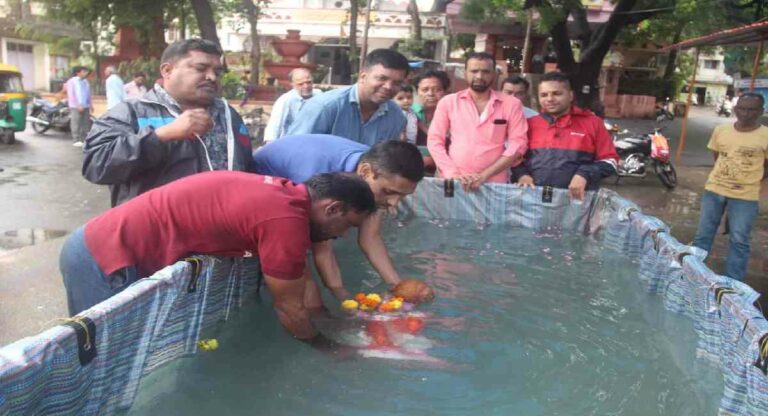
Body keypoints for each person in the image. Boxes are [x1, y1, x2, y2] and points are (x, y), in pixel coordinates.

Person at [60, 170, 376, 341]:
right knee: (100, 355)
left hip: (98, 244)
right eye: (347, 225)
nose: (342, 235)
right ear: (332, 208)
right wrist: (329, 349)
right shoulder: (285, 221)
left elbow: (299, 276)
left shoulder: (285, 196)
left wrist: (331, 320)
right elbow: (290, 309)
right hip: (104, 258)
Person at [252, 134, 430, 309]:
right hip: (262, 188)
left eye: (402, 196)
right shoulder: (318, 178)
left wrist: (398, 287)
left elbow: (371, 238)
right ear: (365, 171)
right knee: (299, 272)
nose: (393, 203)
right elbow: (321, 247)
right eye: (389, 192)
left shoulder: (377, 172)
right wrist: (344, 298)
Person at [82, 39, 255, 207]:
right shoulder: (130, 113)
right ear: (167, 70)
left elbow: (247, 167)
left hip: (224, 229)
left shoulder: (228, 115)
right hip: (155, 231)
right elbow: (96, 165)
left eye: (217, 72)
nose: (211, 77)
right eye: (200, 68)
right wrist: (161, 136)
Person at [692, 93, 768, 281]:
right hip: (714, 190)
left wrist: (748, 179)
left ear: (761, 111)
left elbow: (766, 167)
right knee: (703, 236)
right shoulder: (720, 130)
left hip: (746, 196)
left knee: (739, 241)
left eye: (752, 110)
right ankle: (692, 274)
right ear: (735, 109)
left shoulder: (765, 135)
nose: (746, 113)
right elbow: (718, 157)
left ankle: (732, 284)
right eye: (742, 108)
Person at [427, 52, 528, 190]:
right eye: (474, 71)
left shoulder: (512, 104)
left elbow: (518, 144)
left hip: (494, 182)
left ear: (494, 74)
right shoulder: (449, 102)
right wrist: (452, 173)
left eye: (485, 71)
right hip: (453, 181)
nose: (479, 76)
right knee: (450, 212)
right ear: (465, 73)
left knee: (491, 213)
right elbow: (434, 140)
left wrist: (484, 175)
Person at [514, 71, 619, 200]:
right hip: (533, 200)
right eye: (544, 95)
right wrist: (522, 175)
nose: (550, 99)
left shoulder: (593, 123)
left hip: (578, 202)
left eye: (557, 93)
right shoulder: (529, 124)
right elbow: (515, 159)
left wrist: (584, 174)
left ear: (570, 95)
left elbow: (610, 161)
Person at [286, 49, 410, 145]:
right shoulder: (325, 107)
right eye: (382, 78)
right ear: (362, 77)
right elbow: (294, 151)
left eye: (397, 83)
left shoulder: (396, 116)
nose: (388, 87)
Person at [263, 68, 322, 142]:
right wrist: (270, 145)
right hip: (293, 142)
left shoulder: (319, 95)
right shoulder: (285, 100)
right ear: (292, 84)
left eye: (309, 82)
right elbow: (275, 125)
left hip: (316, 140)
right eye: (300, 84)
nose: (306, 86)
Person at [65, 66, 92, 147]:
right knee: (76, 122)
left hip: (85, 105)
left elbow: (88, 94)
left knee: (86, 123)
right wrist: (78, 105)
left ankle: (84, 139)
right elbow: (71, 95)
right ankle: (76, 139)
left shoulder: (86, 82)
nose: (85, 73)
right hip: (75, 106)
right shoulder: (71, 81)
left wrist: (91, 104)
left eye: (86, 71)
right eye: (84, 71)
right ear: (78, 73)